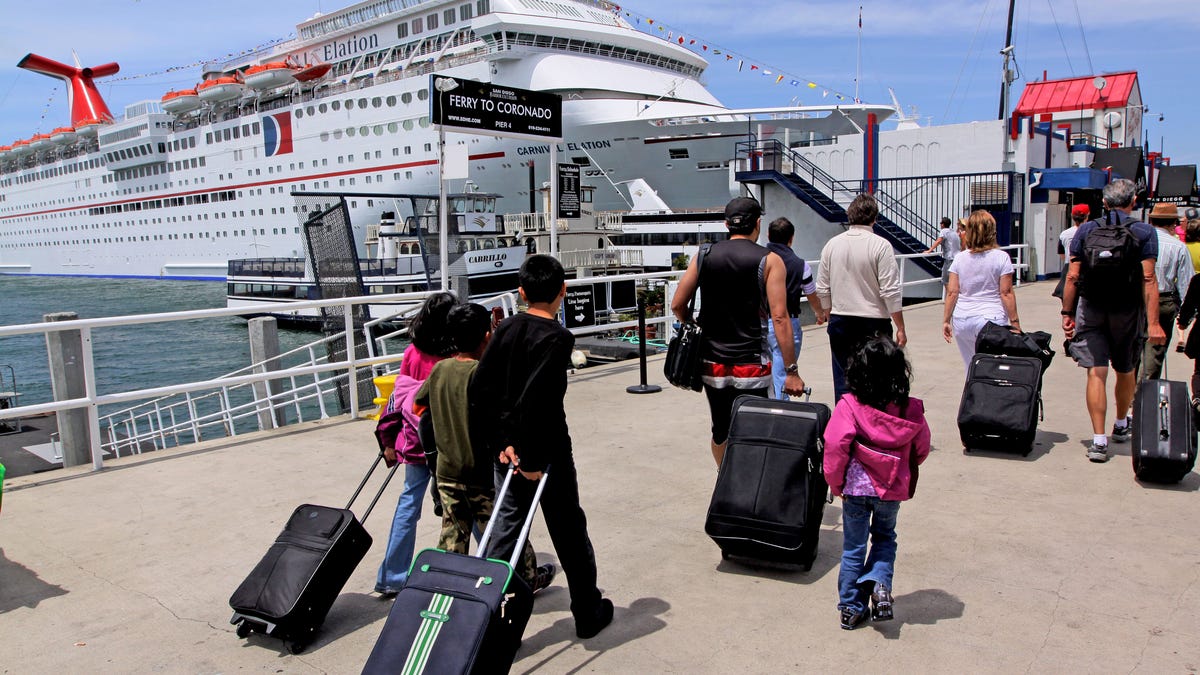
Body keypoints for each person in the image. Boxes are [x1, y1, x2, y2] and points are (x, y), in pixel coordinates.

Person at [470, 255, 614, 639]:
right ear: (563, 292)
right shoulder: (558, 337)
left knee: (506, 532)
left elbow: (480, 389)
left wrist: (501, 442)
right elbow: (541, 402)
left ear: (520, 292)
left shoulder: (505, 327)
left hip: (507, 450)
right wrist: (532, 458)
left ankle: (487, 621)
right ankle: (587, 610)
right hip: (544, 452)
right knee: (568, 528)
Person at [415, 303, 555, 592]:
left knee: (453, 534)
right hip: (481, 473)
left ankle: (445, 587)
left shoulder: (440, 370)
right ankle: (525, 578)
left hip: (447, 472)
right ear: (486, 336)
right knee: (503, 530)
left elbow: (420, 408)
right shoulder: (484, 373)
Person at [670, 197, 807, 467]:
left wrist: (692, 324)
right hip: (752, 364)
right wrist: (791, 370)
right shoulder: (770, 260)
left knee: (720, 429)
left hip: (712, 364)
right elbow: (779, 317)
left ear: (726, 224)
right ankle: (748, 485)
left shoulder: (704, 255)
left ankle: (725, 480)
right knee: (755, 429)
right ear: (758, 223)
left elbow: (677, 304)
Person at [822, 336, 930, 630]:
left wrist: (835, 483)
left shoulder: (850, 406)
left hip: (856, 490)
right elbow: (922, 447)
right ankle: (880, 584)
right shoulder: (909, 409)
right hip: (891, 489)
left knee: (854, 547)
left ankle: (851, 608)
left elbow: (834, 445)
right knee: (884, 538)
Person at [1061, 178, 1165, 463]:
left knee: (1096, 371)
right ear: (1133, 202)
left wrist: (1067, 313)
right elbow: (1149, 279)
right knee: (1126, 368)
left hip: (1091, 307)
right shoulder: (1145, 232)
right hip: (1127, 311)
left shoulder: (1086, 230)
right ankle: (1120, 424)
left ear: (1104, 203)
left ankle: (1097, 441)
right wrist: (1154, 323)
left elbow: (1072, 276)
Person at [373, 292, 457, 597]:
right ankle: (488, 563)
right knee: (464, 503)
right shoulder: (454, 356)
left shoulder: (412, 352)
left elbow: (397, 399)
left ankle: (391, 575)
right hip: (447, 442)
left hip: (413, 440)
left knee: (409, 503)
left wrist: (388, 437)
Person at [816, 192, 907, 402]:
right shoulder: (880, 245)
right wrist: (900, 326)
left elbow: (822, 287)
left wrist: (829, 313)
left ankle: (845, 423)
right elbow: (890, 290)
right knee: (876, 378)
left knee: (843, 378)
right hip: (873, 320)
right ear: (874, 217)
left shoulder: (832, 244)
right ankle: (872, 423)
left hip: (840, 318)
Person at [941, 210, 1020, 367]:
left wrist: (946, 320)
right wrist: (1015, 322)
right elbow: (1006, 293)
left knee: (971, 367)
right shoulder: (1001, 257)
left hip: (963, 319)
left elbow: (952, 292)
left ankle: (972, 391)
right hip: (991, 319)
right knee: (992, 368)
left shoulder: (959, 258)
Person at [764, 217, 827, 400]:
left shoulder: (760, 259)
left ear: (768, 235)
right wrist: (819, 312)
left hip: (759, 322)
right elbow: (811, 293)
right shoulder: (801, 265)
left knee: (761, 375)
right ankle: (780, 415)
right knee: (783, 375)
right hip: (788, 322)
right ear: (791, 238)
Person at [1140, 202, 1193, 381]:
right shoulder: (1178, 246)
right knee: (1154, 354)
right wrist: (1186, 316)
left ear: (1152, 220)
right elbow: (1186, 285)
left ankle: (1131, 395)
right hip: (1163, 301)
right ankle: (1142, 398)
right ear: (1172, 224)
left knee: (1132, 351)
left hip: (1135, 300)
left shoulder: (1137, 241)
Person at [1052, 204, 1089, 299]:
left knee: (1066, 297)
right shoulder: (1090, 231)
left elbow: (1061, 254)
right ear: (1087, 215)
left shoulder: (1064, 234)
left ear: (1072, 216)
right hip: (1085, 267)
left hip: (1068, 266)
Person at [1177, 215, 1200, 353]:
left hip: (1185, 282)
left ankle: (1181, 336)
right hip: (1197, 283)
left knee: (1184, 309)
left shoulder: (1183, 247)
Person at [923, 216, 961, 288]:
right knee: (955, 278)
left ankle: (949, 296)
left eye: (941, 223)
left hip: (950, 258)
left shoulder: (944, 231)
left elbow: (939, 241)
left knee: (945, 280)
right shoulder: (953, 232)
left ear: (943, 224)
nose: (940, 224)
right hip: (957, 258)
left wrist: (929, 250)